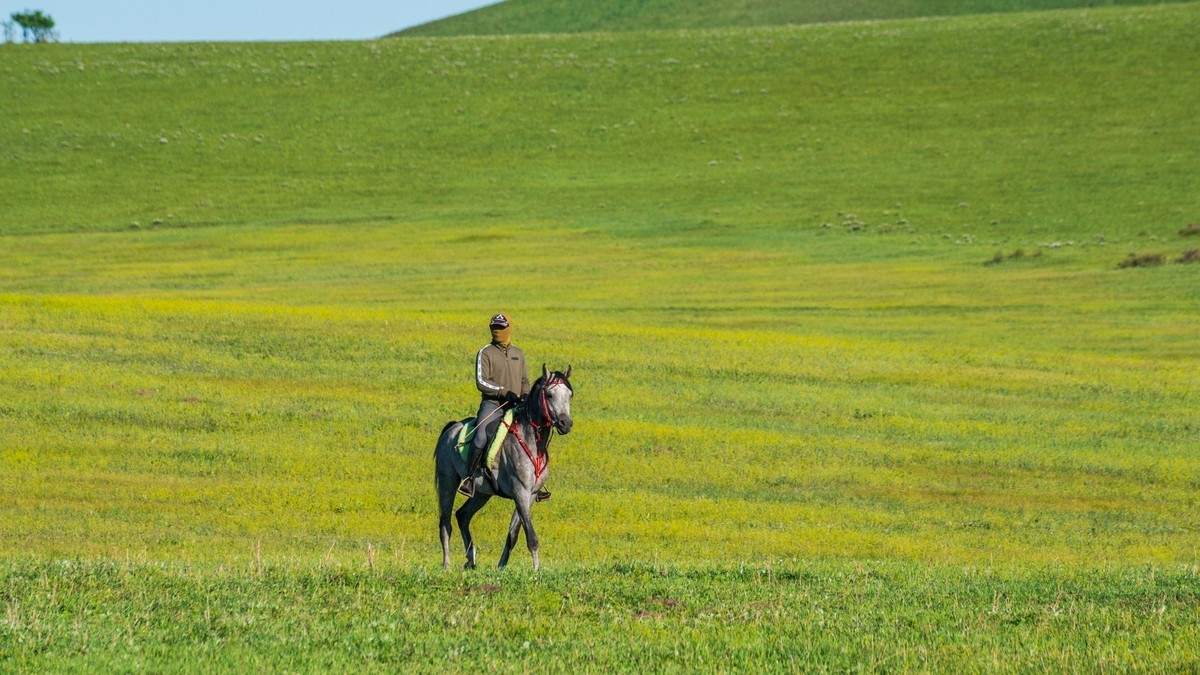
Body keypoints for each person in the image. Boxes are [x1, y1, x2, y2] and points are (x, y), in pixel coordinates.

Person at [458, 312, 530, 498]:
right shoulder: (485, 352)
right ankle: (469, 478)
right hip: (493, 405)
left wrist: (525, 396)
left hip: (517, 405)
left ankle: (534, 483)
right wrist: (504, 392)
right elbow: (481, 382)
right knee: (481, 436)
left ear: (508, 328)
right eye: (494, 328)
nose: (497, 331)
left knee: (532, 435)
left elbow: (524, 380)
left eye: (501, 327)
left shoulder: (519, 353)